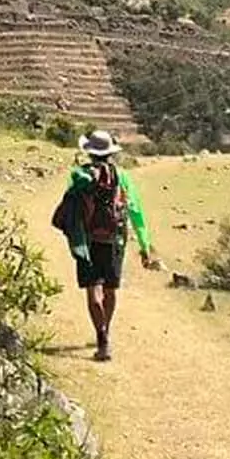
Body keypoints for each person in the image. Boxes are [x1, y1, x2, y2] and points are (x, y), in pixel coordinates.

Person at [51, 130, 153, 362]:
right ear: (110, 153)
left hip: (88, 242)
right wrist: (145, 246)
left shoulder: (80, 176)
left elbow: (71, 207)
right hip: (114, 240)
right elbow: (135, 212)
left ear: (90, 152)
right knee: (110, 289)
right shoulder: (122, 177)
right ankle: (106, 330)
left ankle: (101, 337)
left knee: (92, 290)